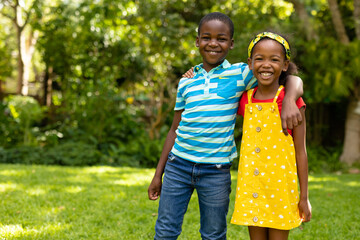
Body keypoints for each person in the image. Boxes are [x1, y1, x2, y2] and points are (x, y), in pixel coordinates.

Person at [148, 12, 303, 240]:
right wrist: (158, 174)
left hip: (215, 172)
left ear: (231, 44)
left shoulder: (241, 73)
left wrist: (289, 99)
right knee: (165, 232)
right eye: (206, 37)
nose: (213, 43)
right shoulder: (186, 81)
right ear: (198, 41)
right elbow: (174, 129)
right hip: (177, 166)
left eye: (221, 38)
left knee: (213, 234)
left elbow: (289, 77)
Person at [230, 32, 312, 240]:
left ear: (285, 65)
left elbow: (301, 152)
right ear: (250, 63)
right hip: (252, 188)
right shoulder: (244, 99)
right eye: (259, 59)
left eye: (274, 60)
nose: (266, 65)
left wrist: (304, 197)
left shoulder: (291, 102)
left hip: (280, 189)